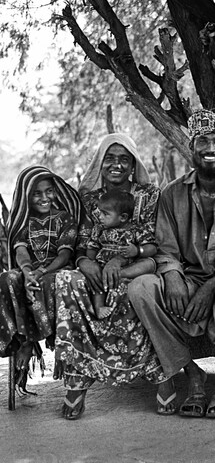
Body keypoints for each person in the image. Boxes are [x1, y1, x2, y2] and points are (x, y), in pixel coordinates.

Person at [129, 106, 215, 418]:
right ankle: (193, 374)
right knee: (141, 288)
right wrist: (172, 275)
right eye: (203, 141)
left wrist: (213, 283)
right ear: (191, 147)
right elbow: (165, 247)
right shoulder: (172, 192)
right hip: (188, 278)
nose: (210, 149)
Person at [54, 133, 164, 420]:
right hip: (96, 263)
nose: (116, 165)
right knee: (67, 281)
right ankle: (77, 381)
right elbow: (82, 239)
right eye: (110, 159)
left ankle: (158, 374)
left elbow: (153, 239)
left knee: (134, 285)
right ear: (100, 163)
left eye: (123, 159)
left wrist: (122, 257)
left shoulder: (149, 195)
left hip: (135, 264)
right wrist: (83, 261)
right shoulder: (88, 198)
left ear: (133, 164)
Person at [0, 165, 82, 390]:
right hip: (32, 270)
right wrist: (27, 271)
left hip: (57, 269)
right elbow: (20, 251)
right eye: (37, 193)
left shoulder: (66, 218)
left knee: (48, 283)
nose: (44, 197)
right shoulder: (23, 221)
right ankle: (23, 341)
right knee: (7, 278)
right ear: (26, 195)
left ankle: (56, 344)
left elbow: (65, 254)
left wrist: (41, 272)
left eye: (49, 191)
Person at [86, 189, 157, 318]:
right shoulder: (100, 229)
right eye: (99, 213)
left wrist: (137, 250)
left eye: (105, 214)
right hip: (104, 265)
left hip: (129, 265)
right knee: (99, 282)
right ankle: (98, 306)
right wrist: (91, 262)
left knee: (149, 263)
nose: (100, 217)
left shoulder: (136, 230)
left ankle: (119, 275)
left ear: (123, 217)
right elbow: (92, 247)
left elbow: (151, 247)